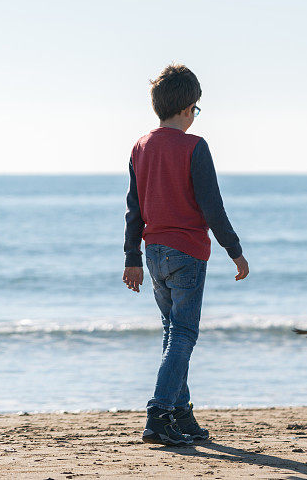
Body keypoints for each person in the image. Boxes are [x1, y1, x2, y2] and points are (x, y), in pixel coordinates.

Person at [122, 64, 249, 446]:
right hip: (187, 253)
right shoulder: (195, 146)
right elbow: (212, 205)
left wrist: (131, 258)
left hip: (153, 253)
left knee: (172, 330)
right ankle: (159, 413)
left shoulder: (140, 146)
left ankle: (181, 412)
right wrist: (235, 251)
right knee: (183, 332)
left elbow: (134, 207)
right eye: (196, 109)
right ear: (187, 108)